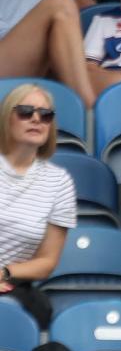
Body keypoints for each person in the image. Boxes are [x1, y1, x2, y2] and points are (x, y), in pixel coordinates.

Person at [0, 83, 76, 328]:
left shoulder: (59, 181)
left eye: (45, 115)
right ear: (6, 118)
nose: (36, 119)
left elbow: (47, 262)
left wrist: (5, 273)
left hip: (12, 283)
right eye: (25, 112)